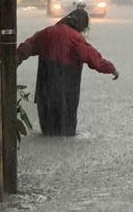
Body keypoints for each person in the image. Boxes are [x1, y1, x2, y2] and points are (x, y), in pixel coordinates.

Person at [17, 8, 118, 136]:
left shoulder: (46, 33)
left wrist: (14, 60)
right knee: (66, 130)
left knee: (47, 129)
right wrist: (111, 69)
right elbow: (93, 58)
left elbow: (27, 46)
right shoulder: (76, 38)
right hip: (66, 89)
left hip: (45, 87)